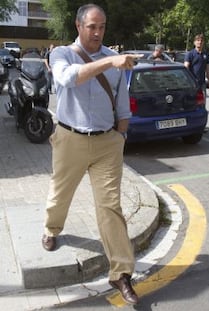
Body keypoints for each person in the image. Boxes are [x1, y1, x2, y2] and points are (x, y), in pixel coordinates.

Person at [42, 4, 141, 305]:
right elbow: (68, 78)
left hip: (107, 143)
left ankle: (121, 273)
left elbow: (122, 103)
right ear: (78, 26)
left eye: (102, 27)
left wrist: (120, 136)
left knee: (111, 207)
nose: (97, 32)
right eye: (92, 27)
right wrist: (110, 62)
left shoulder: (112, 57)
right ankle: (51, 228)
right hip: (70, 138)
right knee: (61, 194)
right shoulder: (61, 54)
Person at [184, 34, 209, 132]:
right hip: (191, 84)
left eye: (201, 40)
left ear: (203, 42)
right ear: (194, 42)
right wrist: (186, 81)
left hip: (202, 84)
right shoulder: (190, 54)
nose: (199, 42)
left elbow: (208, 69)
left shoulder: (206, 54)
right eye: (197, 40)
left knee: (202, 105)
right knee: (190, 104)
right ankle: (189, 125)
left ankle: (202, 125)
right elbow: (186, 68)